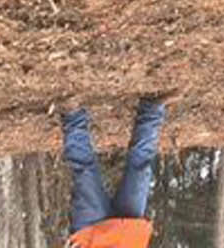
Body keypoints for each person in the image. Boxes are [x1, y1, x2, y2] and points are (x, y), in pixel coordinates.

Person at [60, 98, 167, 248]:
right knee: (140, 168)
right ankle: (152, 110)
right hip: (129, 231)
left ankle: (73, 115)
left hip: (91, 231)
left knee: (85, 171)